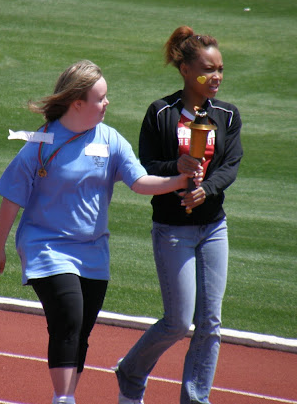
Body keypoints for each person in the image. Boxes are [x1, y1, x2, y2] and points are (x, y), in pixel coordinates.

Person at [0, 60, 196, 404]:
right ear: (77, 103)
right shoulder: (41, 141)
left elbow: (140, 182)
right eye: (100, 99)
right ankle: (63, 398)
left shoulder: (110, 139)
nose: (107, 103)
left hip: (93, 251)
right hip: (46, 247)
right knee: (68, 316)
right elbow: (12, 197)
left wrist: (179, 181)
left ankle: (67, 395)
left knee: (81, 329)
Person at [115, 26, 243, 404]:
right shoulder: (161, 113)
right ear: (186, 70)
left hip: (213, 227)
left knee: (210, 323)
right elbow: (147, 164)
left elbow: (231, 165)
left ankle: (195, 399)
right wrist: (178, 167)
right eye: (208, 69)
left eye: (220, 69)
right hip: (173, 229)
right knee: (177, 322)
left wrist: (207, 189)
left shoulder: (227, 115)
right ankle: (131, 371)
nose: (216, 76)